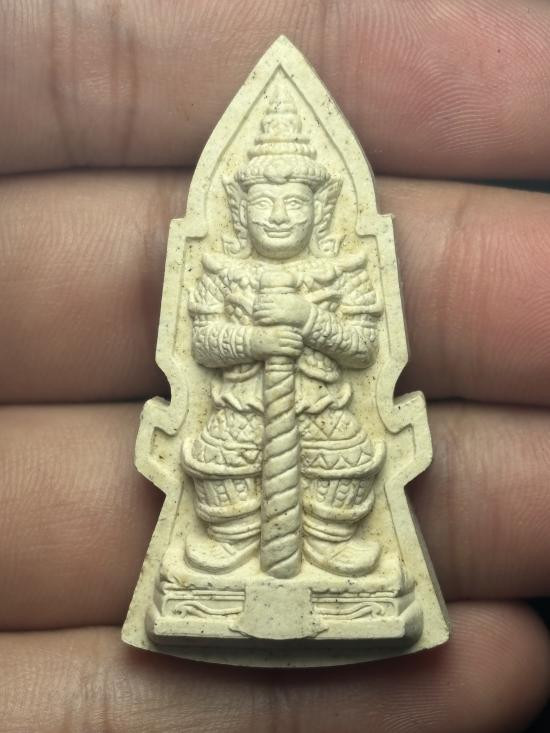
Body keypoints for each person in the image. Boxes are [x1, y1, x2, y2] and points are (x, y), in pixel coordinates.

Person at [1, 2, 549, 731]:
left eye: (295, 200)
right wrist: (259, 339)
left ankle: (333, 561)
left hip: (322, 413)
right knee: (213, 470)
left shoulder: (343, 268)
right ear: (242, 208)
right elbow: (202, 346)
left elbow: (363, 348)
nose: (281, 214)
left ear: (319, 211)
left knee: (349, 468)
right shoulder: (221, 269)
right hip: (239, 409)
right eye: (266, 200)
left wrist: (309, 321)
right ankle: (228, 562)